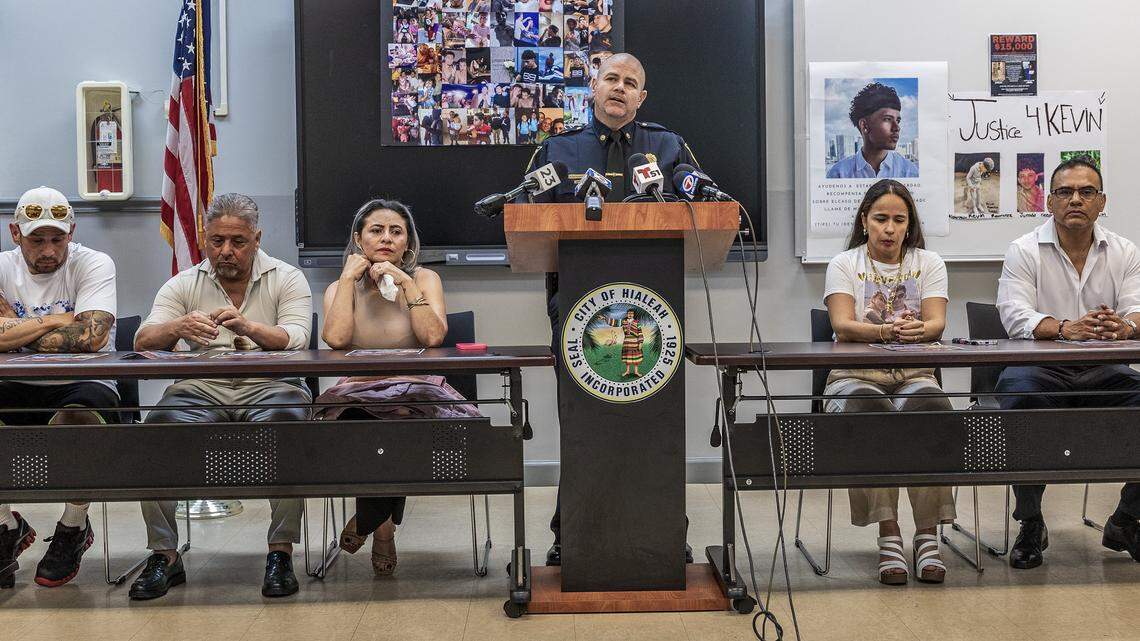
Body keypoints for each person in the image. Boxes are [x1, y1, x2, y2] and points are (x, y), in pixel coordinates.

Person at [521, 52, 701, 566]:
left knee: (654, 424)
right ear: (594, 87)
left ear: (641, 98)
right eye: (612, 79)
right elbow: (528, 218)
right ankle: (571, 534)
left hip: (654, 310)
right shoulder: (558, 149)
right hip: (579, 309)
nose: (620, 88)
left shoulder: (667, 146)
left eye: (631, 83)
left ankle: (664, 528)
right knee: (583, 425)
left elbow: (698, 200)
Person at [129, 193, 313, 600]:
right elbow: (142, 340)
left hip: (272, 383)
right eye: (216, 241)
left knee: (290, 428)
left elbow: (298, 339)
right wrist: (177, 326)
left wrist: (249, 327)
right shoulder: (184, 283)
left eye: (237, 241)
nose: (226, 251)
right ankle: (164, 555)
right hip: (200, 386)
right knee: (155, 432)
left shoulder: (286, 277)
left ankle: (280, 551)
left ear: (257, 238)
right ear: (204, 238)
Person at [995, 155, 1140, 569]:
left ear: (1101, 201)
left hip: (1106, 368)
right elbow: (1013, 313)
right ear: (1050, 202)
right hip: (1039, 368)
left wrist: (1124, 327)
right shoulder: (1023, 250)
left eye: (1086, 191)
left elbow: (1137, 309)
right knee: (1018, 401)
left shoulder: (1124, 250)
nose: (1075, 199)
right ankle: (1030, 522)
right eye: (1064, 192)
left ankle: (1126, 519)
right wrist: (1064, 329)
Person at [319, 199, 478, 577]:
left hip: (416, 390)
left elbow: (434, 336)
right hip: (359, 392)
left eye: (396, 231)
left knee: (401, 417)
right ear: (359, 239)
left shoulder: (424, 279)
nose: (386, 238)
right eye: (376, 230)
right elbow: (336, 340)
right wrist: (347, 280)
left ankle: (371, 520)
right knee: (364, 422)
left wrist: (405, 281)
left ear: (408, 242)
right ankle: (383, 527)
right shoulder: (339, 286)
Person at [823, 178, 955, 585]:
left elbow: (937, 322)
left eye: (899, 220)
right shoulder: (844, 264)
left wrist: (919, 329)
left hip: (913, 373)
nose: (890, 229)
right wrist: (883, 333)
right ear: (865, 220)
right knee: (870, 413)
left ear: (909, 224)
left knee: (932, 412)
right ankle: (889, 533)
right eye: (881, 218)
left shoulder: (928, 262)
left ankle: (928, 534)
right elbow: (842, 325)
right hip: (853, 375)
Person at [0, 186, 118, 590]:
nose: (48, 250)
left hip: (83, 380)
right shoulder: (1, 266)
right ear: (15, 233)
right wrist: (54, 321)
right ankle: (4, 526)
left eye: (57, 238)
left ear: (72, 231)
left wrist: (15, 330)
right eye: (37, 239)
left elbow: (90, 336)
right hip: (13, 381)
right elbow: (73, 328)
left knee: (78, 419)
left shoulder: (93, 264)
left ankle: (73, 526)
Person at [826, 82, 919, 179]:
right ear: (864, 125)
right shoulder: (838, 174)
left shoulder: (910, 172)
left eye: (898, 120)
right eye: (887, 119)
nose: (897, 128)